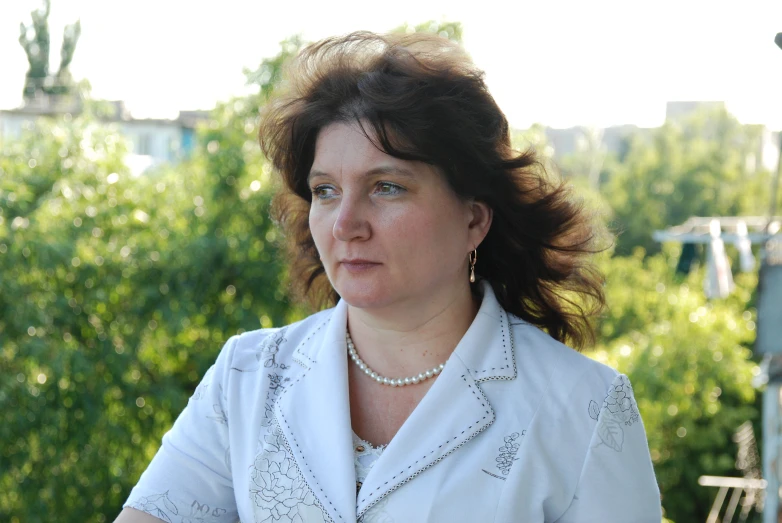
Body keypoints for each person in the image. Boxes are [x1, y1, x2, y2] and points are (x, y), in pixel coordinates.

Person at [115, 31, 662, 523]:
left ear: (474, 218)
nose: (346, 224)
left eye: (387, 187)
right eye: (326, 190)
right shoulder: (247, 379)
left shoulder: (583, 409)